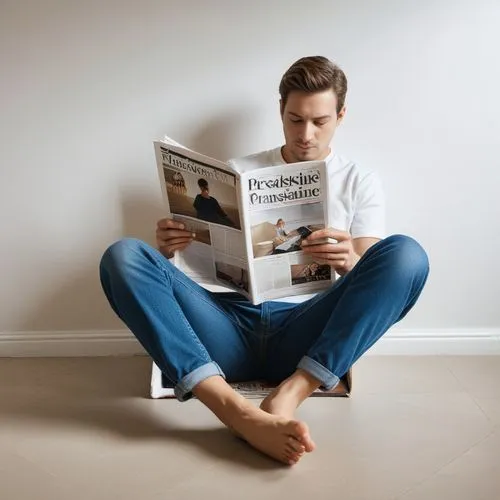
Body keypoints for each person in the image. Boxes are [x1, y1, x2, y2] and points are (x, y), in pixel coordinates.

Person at [100, 56, 429, 466]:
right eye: (294, 120)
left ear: (341, 116)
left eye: (320, 121)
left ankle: (289, 395)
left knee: (408, 255)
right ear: (280, 111)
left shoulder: (359, 181)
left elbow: (374, 273)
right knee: (125, 256)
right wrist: (169, 248)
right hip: (225, 326)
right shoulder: (240, 171)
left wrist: (349, 260)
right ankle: (232, 410)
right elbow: (190, 264)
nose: (306, 134)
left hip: (305, 331)